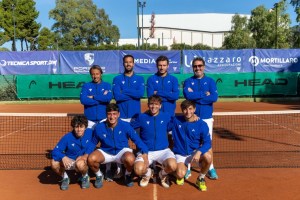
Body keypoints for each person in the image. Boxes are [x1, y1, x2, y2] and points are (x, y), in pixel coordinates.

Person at [86, 103, 148, 188]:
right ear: (106, 114)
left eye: (114, 114)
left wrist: (145, 152)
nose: (112, 117)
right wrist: (86, 154)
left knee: (130, 159)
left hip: (121, 151)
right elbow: (93, 143)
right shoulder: (99, 127)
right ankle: (99, 175)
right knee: (91, 159)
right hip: (106, 151)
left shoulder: (126, 126)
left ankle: (127, 175)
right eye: (109, 114)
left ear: (118, 114)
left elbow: (137, 140)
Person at [183, 57, 219, 180]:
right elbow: (188, 95)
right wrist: (204, 94)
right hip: (191, 118)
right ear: (192, 68)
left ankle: (211, 167)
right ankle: (187, 168)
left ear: (203, 67)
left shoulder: (210, 81)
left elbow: (214, 97)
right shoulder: (188, 81)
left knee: (207, 144)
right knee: (189, 141)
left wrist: (195, 96)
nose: (197, 68)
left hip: (207, 118)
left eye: (200, 66)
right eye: (195, 66)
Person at [131, 95, 177, 188]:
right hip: (146, 151)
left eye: (156, 104)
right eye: (151, 104)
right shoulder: (141, 117)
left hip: (163, 150)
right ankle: (147, 173)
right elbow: (129, 128)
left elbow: (180, 121)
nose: (153, 106)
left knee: (172, 166)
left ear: (160, 105)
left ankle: (162, 174)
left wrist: (194, 116)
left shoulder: (166, 116)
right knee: (138, 169)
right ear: (148, 105)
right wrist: (142, 149)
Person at [170, 100, 212, 191]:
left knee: (208, 157)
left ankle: (201, 178)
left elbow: (207, 142)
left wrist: (199, 152)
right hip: (180, 153)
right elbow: (157, 116)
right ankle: (180, 170)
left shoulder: (202, 124)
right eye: (185, 109)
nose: (188, 112)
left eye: (190, 109)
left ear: (194, 109)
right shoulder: (176, 121)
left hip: (194, 152)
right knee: (180, 175)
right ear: (182, 110)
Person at [51, 115, 92, 190]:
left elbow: (94, 143)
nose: (79, 129)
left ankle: (85, 176)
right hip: (69, 162)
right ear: (73, 127)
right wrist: (63, 156)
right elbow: (55, 151)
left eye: (81, 127)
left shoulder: (90, 133)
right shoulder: (67, 137)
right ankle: (65, 178)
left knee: (80, 164)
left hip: (82, 161)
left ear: (85, 127)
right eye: (76, 127)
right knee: (54, 163)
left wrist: (86, 155)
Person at [112, 54, 145, 120]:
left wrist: (124, 91)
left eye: (130, 62)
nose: (128, 64)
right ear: (123, 64)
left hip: (135, 116)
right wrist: (134, 94)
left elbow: (140, 94)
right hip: (121, 116)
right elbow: (117, 97)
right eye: (126, 62)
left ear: (133, 64)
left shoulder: (140, 79)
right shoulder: (117, 79)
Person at [80, 65, 113, 129]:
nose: (95, 76)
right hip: (89, 120)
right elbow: (83, 100)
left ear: (101, 74)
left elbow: (108, 98)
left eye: (97, 74)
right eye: (93, 74)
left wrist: (93, 97)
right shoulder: (86, 86)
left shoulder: (107, 85)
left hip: (103, 119)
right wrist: (101, 100)